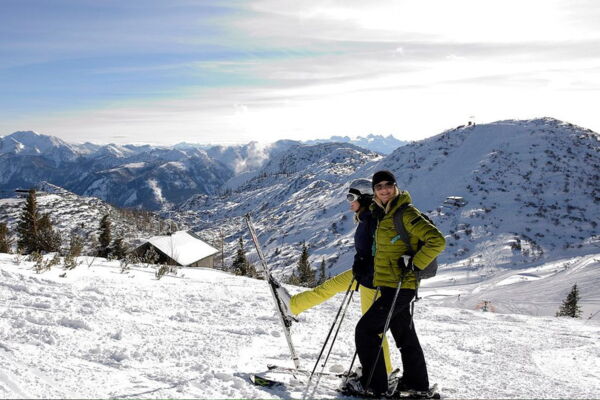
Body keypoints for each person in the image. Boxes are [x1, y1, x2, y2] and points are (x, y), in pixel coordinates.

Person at [276, 178, 394, 375]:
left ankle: (383, 372)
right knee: (331, 286)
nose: (349, 201)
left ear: (364, 198)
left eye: (352, 196)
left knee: (373, 329)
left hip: (374, 281)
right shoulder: (367, 218)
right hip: (365, 274)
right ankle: (294, 305)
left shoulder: (373, 220)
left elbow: (382, 250)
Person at [346, 170, 445, 396]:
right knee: (404, 335)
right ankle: (416, 384)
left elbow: (437, 240)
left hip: (401, 285)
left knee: (366, 331)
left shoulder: (405, 212)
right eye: (379, 186)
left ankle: (374, 386)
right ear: (374, 191)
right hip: (391, 284)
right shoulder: (382, 214)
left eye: (388, 185)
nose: (384, 190)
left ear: (395, 187)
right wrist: (364, 264)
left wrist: (414, 263)